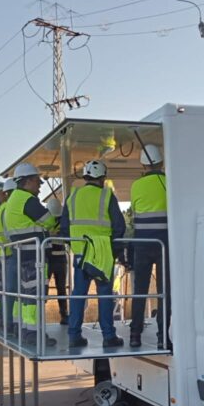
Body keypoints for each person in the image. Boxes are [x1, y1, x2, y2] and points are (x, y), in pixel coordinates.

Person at [60, 160, 126, 349]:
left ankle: (74, 336)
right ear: (103, 177)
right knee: (104, 295)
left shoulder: (72, 196)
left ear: (86, 176)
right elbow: (119, 227)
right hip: (102, 254)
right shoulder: (107, 195)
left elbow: (64, 228)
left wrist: (75, 246)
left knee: (78, 294)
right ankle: (109, 336)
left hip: (80, 254)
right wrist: (113, 250)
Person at [0, 163, 57, 348]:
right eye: (37, 182)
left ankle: (24, 330)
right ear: (28, 181)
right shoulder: (28, 200)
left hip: (22, 255)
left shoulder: (13, 200)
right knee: (35, 297)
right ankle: (34, 334)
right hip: (34, 257)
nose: (39, 186)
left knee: (25, 297)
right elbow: (49, 221)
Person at [128, 143, 171, 349]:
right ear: (161, 162)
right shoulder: (169, 182)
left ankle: (135, 334)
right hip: (165, 243)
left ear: (143, 165)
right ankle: (163, 336)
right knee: (165, 292)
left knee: (140, 290)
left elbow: (135, 212)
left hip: (142, 243)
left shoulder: (136, 186)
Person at [0, 178, 15, 332]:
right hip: (9, 252)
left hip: (2, 253)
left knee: (5, 291)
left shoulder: (2, 208)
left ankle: (3, 323)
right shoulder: (8, 208)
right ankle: (8, 324)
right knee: (11, 290)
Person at [43, 194, 69, 325]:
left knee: (58, 288)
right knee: (51, 288)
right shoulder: (58, 221)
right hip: (53, 259)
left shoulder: (59, 222)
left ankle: (63, 314)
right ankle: (61, 315)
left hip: (54, 259)